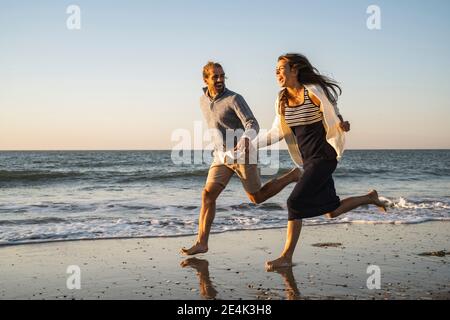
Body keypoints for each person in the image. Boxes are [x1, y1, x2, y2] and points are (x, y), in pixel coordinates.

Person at [257, 53, 387, 270]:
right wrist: (248, 144)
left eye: (281, 68)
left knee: (294, 203)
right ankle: (369, 197)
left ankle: (286, 256)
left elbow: (331, 111)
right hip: (308, 161)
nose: (277, 73)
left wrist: (341, 124)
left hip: (324, 157)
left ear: (295, 70)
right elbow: (276, 132)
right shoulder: (281, 99)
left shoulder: (312, 92)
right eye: (276, 69)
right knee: (332, 211)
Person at [181, 61, 301, 255]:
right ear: (205, 80)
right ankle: (202, 242)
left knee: (257, 198)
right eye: (215, 77)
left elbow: (252, 123)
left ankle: (292, 175)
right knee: (207, 195)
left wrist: (245, 140)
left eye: (222, 76)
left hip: (243, 154)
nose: (220, 80)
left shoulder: (234, 98)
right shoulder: (202, 101)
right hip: (221, 156)